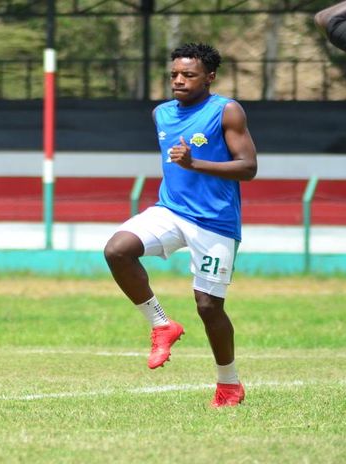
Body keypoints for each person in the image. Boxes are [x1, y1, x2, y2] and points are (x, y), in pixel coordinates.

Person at [103, 43, 257, 407]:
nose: (179, 80)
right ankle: (161, 324)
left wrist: (194, 164)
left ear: (210, 77)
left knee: (207, 306)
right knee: (117, 250)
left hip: (215, 221)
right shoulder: (161, 114)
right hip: (171, 210)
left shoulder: (227, 111)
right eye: (174, 74)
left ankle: (229, 383)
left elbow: (248, 167)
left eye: (189, 74)